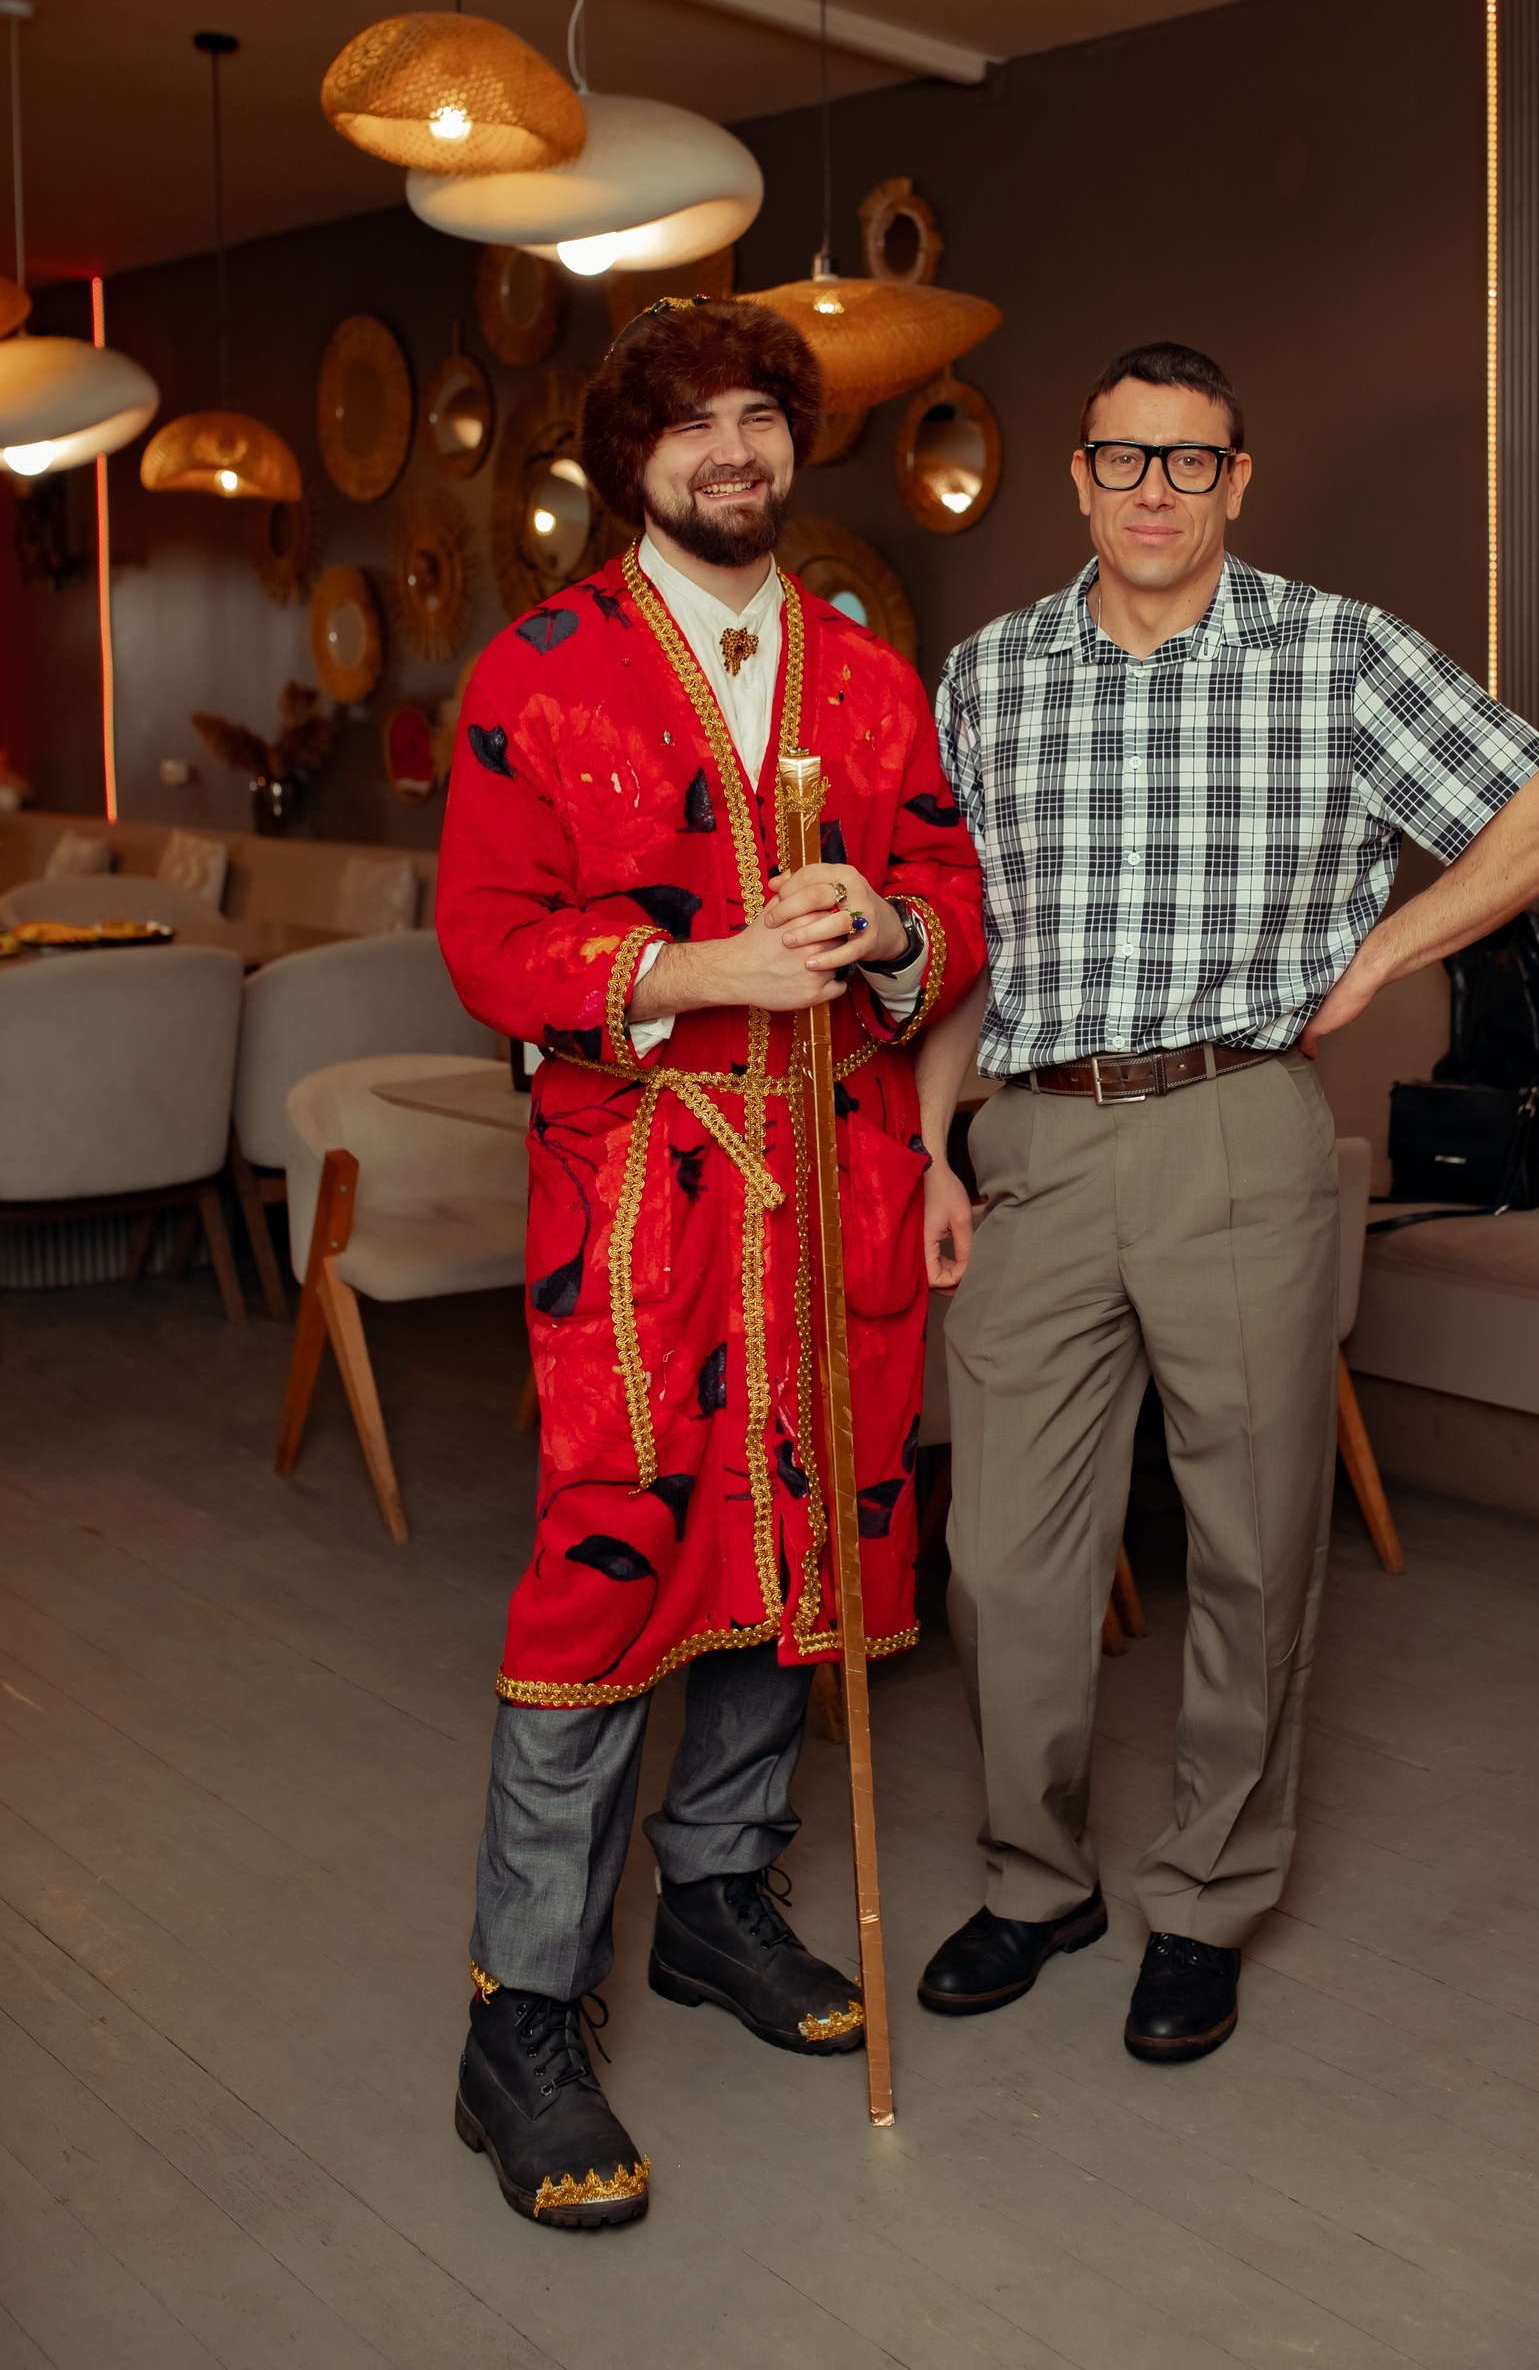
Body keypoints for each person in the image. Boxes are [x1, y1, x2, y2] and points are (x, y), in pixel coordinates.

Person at [912, 340, 1539, 2066]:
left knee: (1250, 1544)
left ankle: (1207, 1902)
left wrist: (1380, 957)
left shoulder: (1337, 653)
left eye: (1190, 461)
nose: (1154, 490)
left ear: (1238, 481)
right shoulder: (988, 676)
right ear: (1078, 476)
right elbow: (968, 947)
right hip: (1038, 1139)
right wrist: (927, 1148)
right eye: (1123, 458)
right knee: (999, 1563)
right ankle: (1033, 1880)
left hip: (1238, 1124)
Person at [436, 298, 984, 2226]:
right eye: (690, 425)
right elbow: (488, 943)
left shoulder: (870, 678)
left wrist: (885, 925)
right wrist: (695, 967)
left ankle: (720, 1898)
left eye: (759, 415)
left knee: (802, 1540)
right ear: (631, 464)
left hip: (836, 1176)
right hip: (643, 1197)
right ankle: (522, 2013)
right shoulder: (541, 670)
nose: (732, 451)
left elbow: (954, 894)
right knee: (608, 1572)